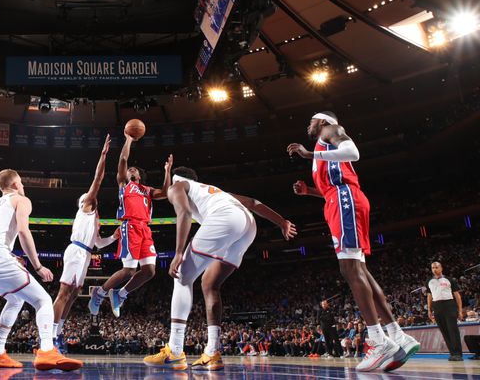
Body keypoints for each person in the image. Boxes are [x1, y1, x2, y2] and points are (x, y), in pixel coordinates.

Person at [288, 111, 419, 372]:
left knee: (349, 270)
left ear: (323, 121)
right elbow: (330, 188)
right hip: (338, 199)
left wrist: (309, 154)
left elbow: (352, 152)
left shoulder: (330, 131)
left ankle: (379, 342)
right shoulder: (322, 145)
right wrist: (309, 191)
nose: (309, 124)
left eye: (312, 120)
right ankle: (396, 335)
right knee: (360, 270)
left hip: (345, 200)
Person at [143, 166, 296, 371]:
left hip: (226, 219)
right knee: (209, 284)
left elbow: (185, 213)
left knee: (182, 276)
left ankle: (175, 350)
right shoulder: (213, 190)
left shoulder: (176, 186)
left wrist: (179, 252)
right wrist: (282, 222)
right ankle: (212, 352)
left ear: (175, 179)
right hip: (248, 225)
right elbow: (253, 203)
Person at [0, 169, 82, 371]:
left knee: (16, 299)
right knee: (42, 300)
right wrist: (38, 266)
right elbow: (24, 231)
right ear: (16, 185)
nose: (23, 187)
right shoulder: (20, 199)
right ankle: (46, 350)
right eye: (22, 184)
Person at [89, 132, 172, 317]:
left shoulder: (147, 190)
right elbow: (124, 159)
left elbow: (166, 192)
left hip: (145, 229)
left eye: (134, 169)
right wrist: (128, 140)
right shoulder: (124, 184)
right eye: (129, 169)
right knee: (129, 270)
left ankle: (120, 294)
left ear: (140, 176)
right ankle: (99, 293)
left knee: (150, 271)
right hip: (130, 226)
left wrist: (167, 172)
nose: (130, 169)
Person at [53, 135, 119, 352]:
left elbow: (99, 243)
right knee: (64, 293)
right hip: (76, 252)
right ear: (84, 202)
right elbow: (98, 180)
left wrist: (114, 238)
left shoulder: (95, 218)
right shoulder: (86, 207)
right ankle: (51, 337)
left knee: (73, 294)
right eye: (86, 198)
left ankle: (58, 332)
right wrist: (103, 155)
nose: (90, 198)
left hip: (87, 253)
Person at [427, 261, 464, 361]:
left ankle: (458, 354)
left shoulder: (449, 279)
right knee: (444, 331)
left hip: (449, 305)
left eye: (436, 267)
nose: (434, 269)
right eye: (432, 268)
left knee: (453, 330)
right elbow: (429, 296)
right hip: (437, 307)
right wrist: (429, 310)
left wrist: (460, 310)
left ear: (441, 268)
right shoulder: (429, 281)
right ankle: (452, 354)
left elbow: (457, 296)